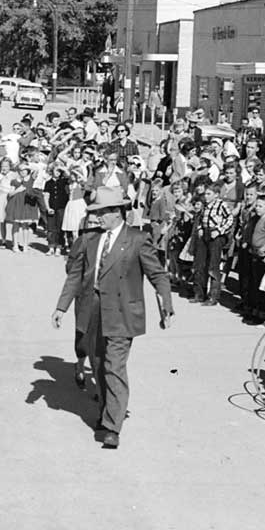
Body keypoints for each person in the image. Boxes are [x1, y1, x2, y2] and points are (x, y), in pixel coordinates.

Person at [52, 186, 174, 449]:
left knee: (113, 367)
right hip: (92, 310)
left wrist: (166, 303)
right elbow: (76, 276)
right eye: (96, 213)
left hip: (122, 313)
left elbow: (157, 275)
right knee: (98, 365)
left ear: (117, 213)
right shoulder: (90, 240)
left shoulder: (138, 240)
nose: (97, 218)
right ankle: (107, 411)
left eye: (102, 213)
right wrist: (62, 306)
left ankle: (112, 426)